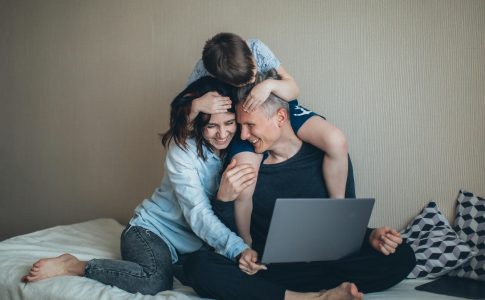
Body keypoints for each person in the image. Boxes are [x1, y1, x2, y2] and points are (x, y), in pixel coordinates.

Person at [182, 74, 417, 300]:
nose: (243, 135)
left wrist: (370, 237)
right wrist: (223, 200)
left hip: (326, 263)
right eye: (241, 125)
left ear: (281, 118)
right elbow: (227, 236)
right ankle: (311, 298)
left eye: (251, 125)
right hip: (269, 267)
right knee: (198, 266)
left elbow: (341, 223)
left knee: (402, 254)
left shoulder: (326, 157)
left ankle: (289, 293)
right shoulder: (243, 164)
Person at [21, 77, 257, 295]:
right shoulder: (182, 150)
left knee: (218, 277)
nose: (222, 133)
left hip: (190, 248)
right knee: (155, 280)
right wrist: (237, 247)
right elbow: (198, 213)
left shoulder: (238, 149)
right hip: (150, 232)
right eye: (212, 126)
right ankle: (74, 265)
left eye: (228, 123)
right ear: (198, 125)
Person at [188, 32, 349, 246]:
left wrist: (269, 86)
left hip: (278, 106)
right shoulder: (203, 71)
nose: (251, 81)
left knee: (336, 140)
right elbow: (184, 117)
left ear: (250, 55)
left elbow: (293, 87)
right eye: (242, 81)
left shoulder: (257, 47)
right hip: (244, 118)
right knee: (245, 181)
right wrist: (197, 105)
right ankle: (245, 243)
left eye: (252, 73)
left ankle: (338, 209)